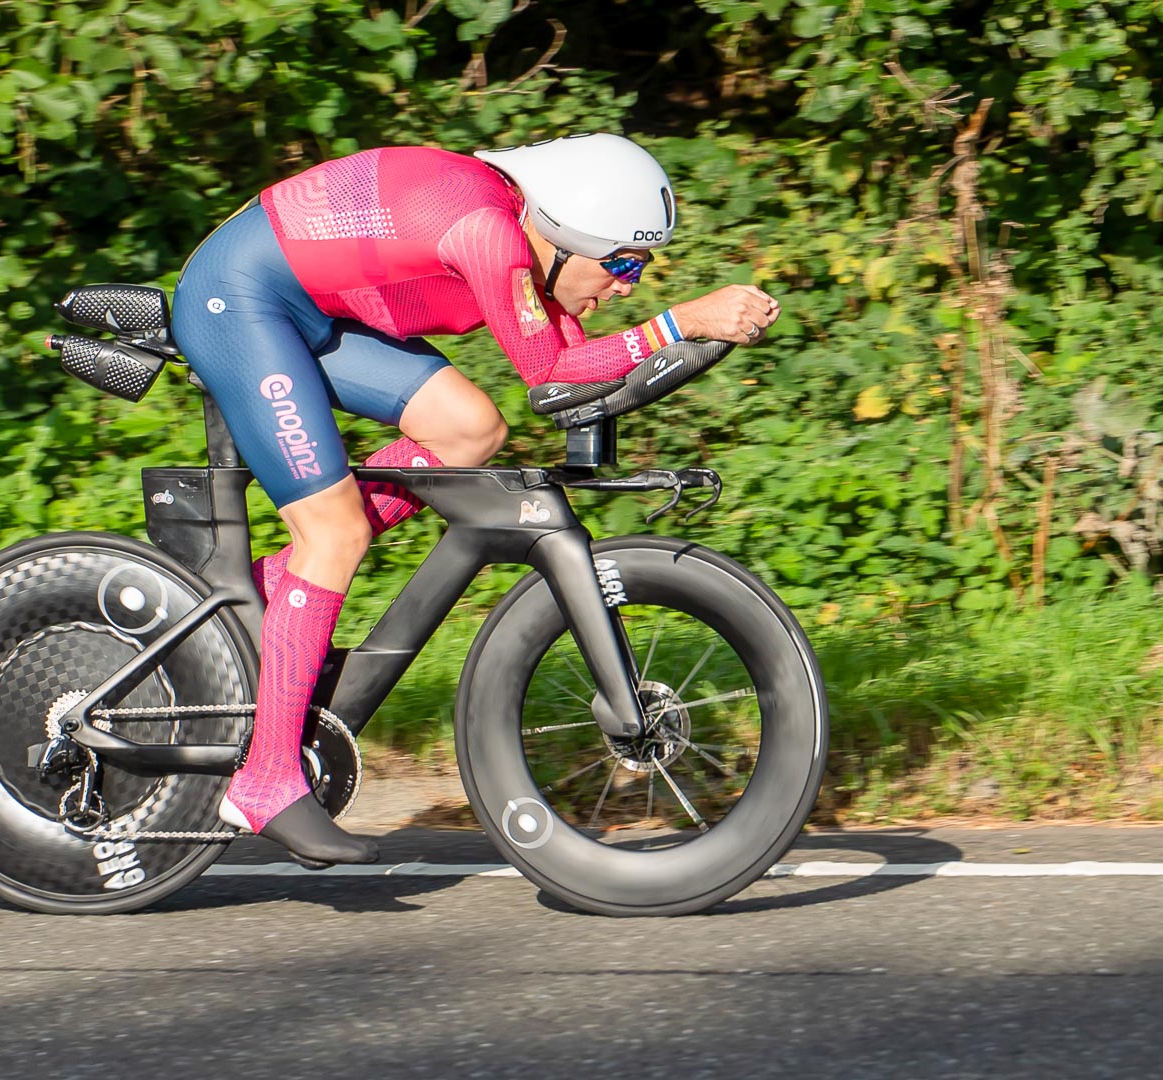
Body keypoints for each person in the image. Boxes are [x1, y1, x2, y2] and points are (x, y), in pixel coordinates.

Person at [170, 132, 780, 866]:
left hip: (302, 308)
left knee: (469, 430)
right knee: (332, 536)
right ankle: (265, 780)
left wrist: (680, 340)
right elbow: (552, 375)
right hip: (239, 299)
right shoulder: (490, 234)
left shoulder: (518, 233)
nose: (628, 285)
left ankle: (271, 592)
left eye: (641, 266)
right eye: (619, 262)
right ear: (561, 238)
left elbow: (578, 383)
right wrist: (682, 322)